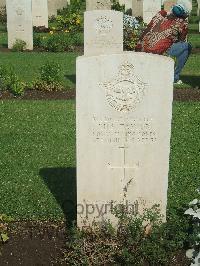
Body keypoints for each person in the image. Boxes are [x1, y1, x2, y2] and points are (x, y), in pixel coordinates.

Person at [135, 4, 192, 84]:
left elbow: (148, 28)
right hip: (159, 52)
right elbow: (181, 41)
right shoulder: (181, 24)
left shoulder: (160, 13)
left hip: (142, 48)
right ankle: (174, 77)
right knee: (187, 46)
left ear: (172, 8)